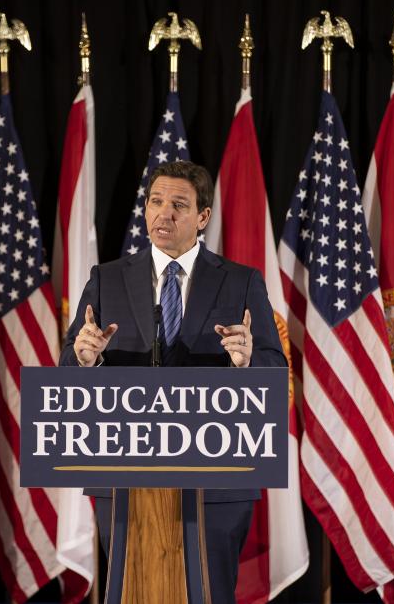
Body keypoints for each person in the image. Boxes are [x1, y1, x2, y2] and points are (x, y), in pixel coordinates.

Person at [59, 160, 286, 603]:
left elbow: (275, 374)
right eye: (155, 202)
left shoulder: (241, 282)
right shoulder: (107, 280)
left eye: (179, 205)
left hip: (217, 482)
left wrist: (246, 364)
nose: (163, 214)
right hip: (124, 475)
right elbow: (69, 368)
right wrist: (85, 360)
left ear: (202, 218)